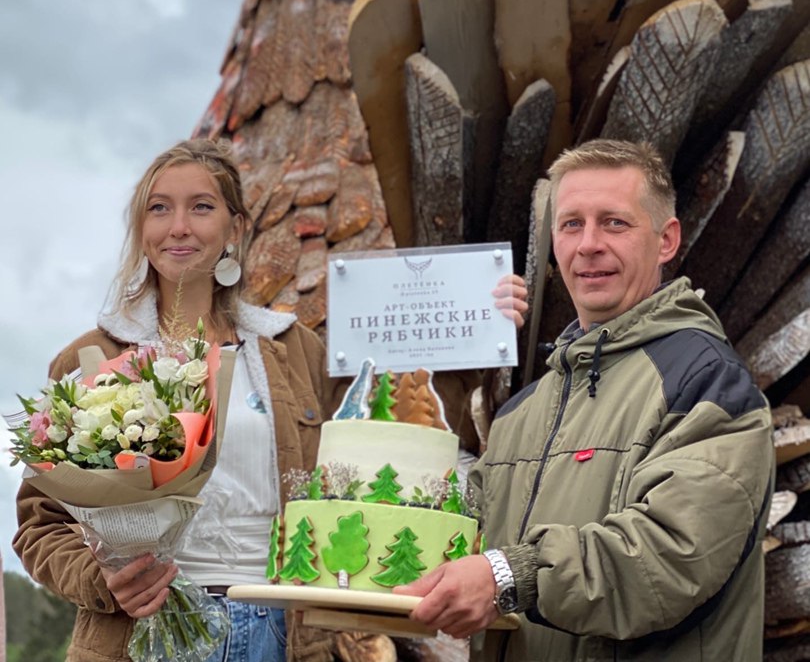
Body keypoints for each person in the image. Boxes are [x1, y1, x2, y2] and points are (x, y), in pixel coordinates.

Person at [14, 137, 528, 662]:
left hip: (284, 634)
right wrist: (103, 579)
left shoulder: (295, 350)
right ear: (141, 229)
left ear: (235, 229)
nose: (179, 227)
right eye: (159, 208)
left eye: (202, 207)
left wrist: (480, 330)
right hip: (141, 632)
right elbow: (41, 523)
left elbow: (389, 433)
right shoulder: (89, 358)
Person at [398, 138, 775, 661]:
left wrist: (514, 575)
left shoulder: (707, 383)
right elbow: (457, 532)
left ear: (666, 241)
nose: (589, 244)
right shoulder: (521, 412)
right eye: (571, 224)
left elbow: (671, 558)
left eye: (615, 223)